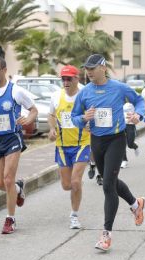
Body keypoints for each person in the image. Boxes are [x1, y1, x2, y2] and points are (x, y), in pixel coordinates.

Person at [71, 54, 145, 252]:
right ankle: (135, 203)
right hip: (96, 140)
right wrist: (82, 119)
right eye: (86, 69)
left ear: (103, 68)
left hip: (116, 139)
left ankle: (106, 234)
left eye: (92, 68)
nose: (88, 72)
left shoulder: (119, 87)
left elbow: (140, 100)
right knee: (109, 179)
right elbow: (74, 116)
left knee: (107, 186)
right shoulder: (85, 92)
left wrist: (138, 114)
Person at [0, 56, 38, 234]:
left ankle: (10, 219)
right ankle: (18, 189)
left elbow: (34, 110)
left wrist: (27, 119)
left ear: (4, 70)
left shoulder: (15, 91)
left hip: (12, 138)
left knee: (8, 179)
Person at [48, 65, 91, 229]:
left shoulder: (85, 95)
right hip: (62, 146)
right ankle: (76, 187)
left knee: (75, 181)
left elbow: (93, 113)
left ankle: (74, 215)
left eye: (69, 79)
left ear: (76, 79)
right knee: (66, 185)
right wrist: (52, 129)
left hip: (82, 144)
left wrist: (90, 124)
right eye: (63, 79)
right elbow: (51, 115)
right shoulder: (56, 96)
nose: (65, 82)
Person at [121, 102, 140, 169]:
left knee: (130, 144)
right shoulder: (118, 98)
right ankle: (124, 160)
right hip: (121, 125)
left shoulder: (134, 100)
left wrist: (137, 116)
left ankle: (135, 146)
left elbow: (139, 109)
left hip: (131, 124)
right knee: (121, 143)